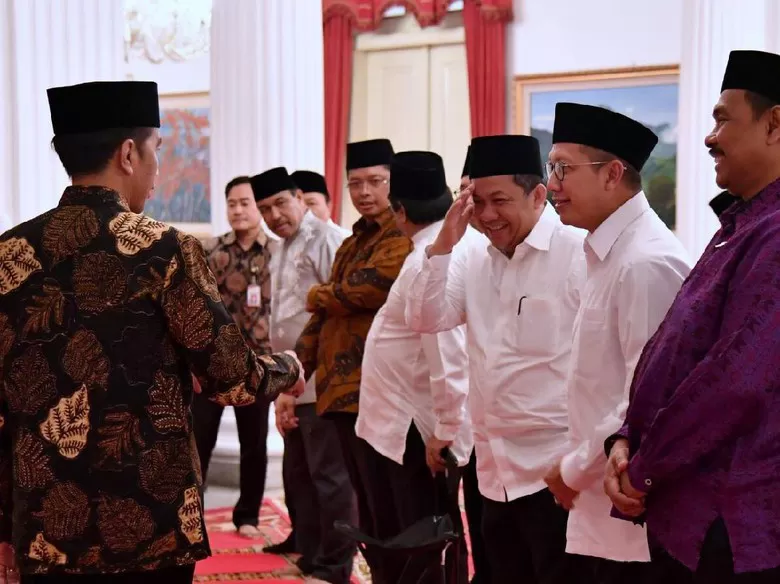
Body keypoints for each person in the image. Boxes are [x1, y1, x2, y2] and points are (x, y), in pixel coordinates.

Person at [0, 80, 303, 584]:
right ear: (127, 154)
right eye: (156, 151)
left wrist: (5, 526)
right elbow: (232, 378)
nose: (158, 171)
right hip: (150, 525)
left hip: (47, 526)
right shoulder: (164, 250)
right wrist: (288, 367)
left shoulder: (10, 253)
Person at [604, 49, 780, 582]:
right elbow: (673, 354)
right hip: (687, 507)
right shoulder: (741, 226)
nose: (709, 137)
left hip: (733, 517)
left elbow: (736, 381)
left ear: (774, 124)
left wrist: (645, 469)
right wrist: (624, 437)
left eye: (723, 118)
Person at [405, 135, 585, 584]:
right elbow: (425, 318)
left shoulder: (577, 252)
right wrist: (445, 242)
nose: (486, 215)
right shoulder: (474, 260)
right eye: (477, 202)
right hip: (492, 472)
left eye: (499, 201)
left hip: (556, 475)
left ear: (538, 194)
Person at [543, 102, 691, 583]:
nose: (552, 185)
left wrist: (572, 469)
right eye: (550, 168)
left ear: (612, 174)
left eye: (563, 168)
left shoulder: (644, 262)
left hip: (632, 510)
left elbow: (646, 398)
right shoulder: (607, 253)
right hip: (598, 493)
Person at [295, 138, 413, 582]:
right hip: (339, 390)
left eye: (375, 182)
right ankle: (370, 570)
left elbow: (372, 285)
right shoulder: (352, 241)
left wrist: (316, 295)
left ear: (393, 182)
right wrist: (297, 364)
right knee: (361, 494)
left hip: (378, 388)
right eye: (355, 184)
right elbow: (331, 310)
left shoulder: (402, 232)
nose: (364, 192)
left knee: (385, 497)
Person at [355, 151, 471, 583]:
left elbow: (447, 352)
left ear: (399, 211)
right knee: (400, 538)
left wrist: (444, 430)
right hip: (395, 425)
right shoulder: (427, 250)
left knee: (415, 543)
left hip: (411, 429)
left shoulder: (436, 256)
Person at [253, 166, 356, 584]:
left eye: (280, 203)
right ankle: (312, 554)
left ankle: (335, 567)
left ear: (299, 197)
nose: (274, 215)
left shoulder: (329, 240)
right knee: (301, 476)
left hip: (324, 380)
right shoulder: (280, 247)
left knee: (330, 478)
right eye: (265, 209)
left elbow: (341, 313)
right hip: (292, 380)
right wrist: (283, 389)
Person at [195, 176, 275, 538]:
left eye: (245, 202)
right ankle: (192, 512)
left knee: (254, 444)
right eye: (232, 203)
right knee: (198, 441)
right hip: (212, 366)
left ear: (258, 207)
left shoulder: (276, 251)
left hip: (257, 366)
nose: (238, 210)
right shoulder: (210, 251)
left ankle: (248, 517)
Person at [290, 170, 351, 237]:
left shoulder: (347, 241)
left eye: (311, 203)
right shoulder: (283, 242)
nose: (303, 210)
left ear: (328, 206)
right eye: (297, 204)